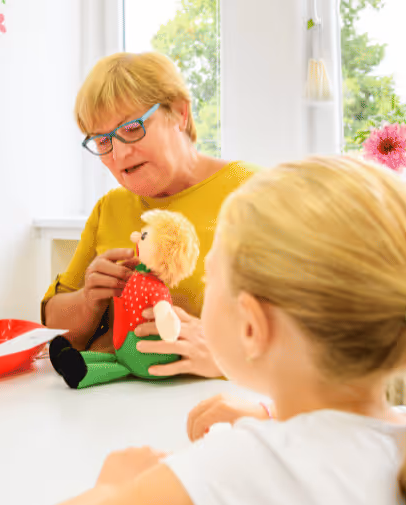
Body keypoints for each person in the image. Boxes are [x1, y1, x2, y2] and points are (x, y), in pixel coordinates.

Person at [0, 155, 406, 505]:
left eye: (213, 276)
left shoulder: (240, 472)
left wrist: (112, 487)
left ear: (252, 327)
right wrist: (273, 412)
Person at [41, 51, 259, 379]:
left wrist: (225, 353)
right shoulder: (109, 207)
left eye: (131, 128)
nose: (119, 154)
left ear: (180, 114)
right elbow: (53, 329)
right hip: (112, 408)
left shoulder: (255, 193)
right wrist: (88, 301)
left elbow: (315, 330)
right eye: (103, 140)